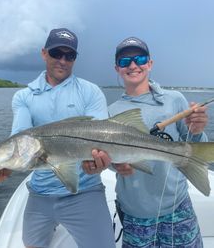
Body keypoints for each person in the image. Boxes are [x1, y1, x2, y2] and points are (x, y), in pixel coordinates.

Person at [0, 28, 116, 248]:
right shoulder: (24, 96)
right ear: (44, 53)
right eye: (56, 53)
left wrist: (99, 162)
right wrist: (1, 166)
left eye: (69, 55)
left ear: (74, 59)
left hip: (85, 190)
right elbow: (20, 140)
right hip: (40, 192)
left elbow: (101, 138)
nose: (62, 60)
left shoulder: (90, 91)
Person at [84, 36, 208, 247]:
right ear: (117, 68)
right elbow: (114, 160)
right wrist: (115, 166)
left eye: (139, 58)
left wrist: (196, 130)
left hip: (177, 206)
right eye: (125, 61)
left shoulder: (174, 99)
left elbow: (195, 141)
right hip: (134, 211)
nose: (133, 65)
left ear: (149, 64)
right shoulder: (110, 112)